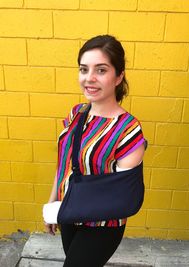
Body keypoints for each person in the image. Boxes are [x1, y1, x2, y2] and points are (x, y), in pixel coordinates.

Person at [45, 35, 146, 267]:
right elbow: (64, 166)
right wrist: (53, 205)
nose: (89, 78)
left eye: (101, 70)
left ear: (118, 76)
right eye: (83, 69)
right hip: (69, 211)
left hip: (102, 226)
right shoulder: (76, 113)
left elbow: (121, 194)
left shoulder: (128, 130)